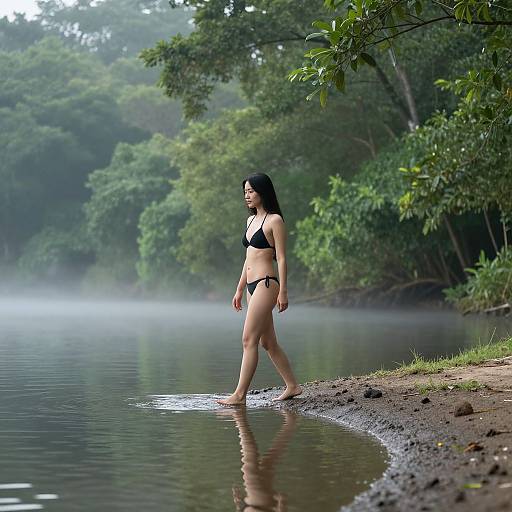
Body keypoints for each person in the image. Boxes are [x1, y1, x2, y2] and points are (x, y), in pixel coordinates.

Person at [216, 173, 302, 406]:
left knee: (248, 339)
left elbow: (282, 258)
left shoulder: (275, 221)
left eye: (251, 191)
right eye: (245, 192)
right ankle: (293, 386)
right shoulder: (249, 221)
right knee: (268, 343)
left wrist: (283, 291)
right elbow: (248, 259)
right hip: (251, 286)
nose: (247, 196)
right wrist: (239, 288)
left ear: (263, 192)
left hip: (267, 283)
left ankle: (239, 395)